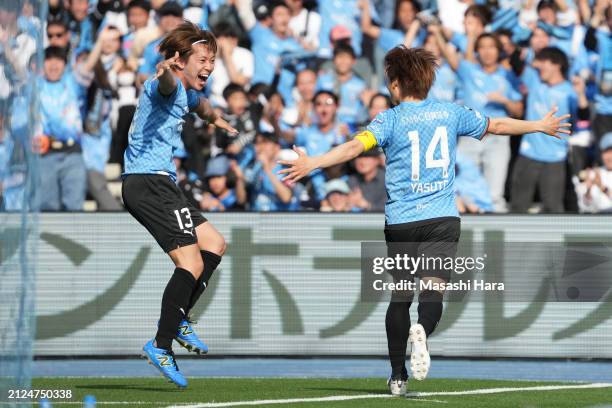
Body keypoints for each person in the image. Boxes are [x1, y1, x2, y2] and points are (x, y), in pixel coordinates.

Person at [279, 46, 570, 396]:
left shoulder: (388, 119)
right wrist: (538, 125)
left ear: (398, 85)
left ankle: (398, 374)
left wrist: (314, 163)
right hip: (442, 217)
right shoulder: (450, 112)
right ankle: (423, 329)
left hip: (402, 221)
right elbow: (497, 125)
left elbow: (354, 148)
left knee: (400, 294)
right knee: (433, 289)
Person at [121, 22, 238, 388]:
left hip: (164, 184)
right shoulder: (163, 86)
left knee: (215, 244)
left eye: (213, 60)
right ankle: (161, 344)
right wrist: (166, 73)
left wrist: (216, 118)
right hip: (147, 182)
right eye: (202, 59)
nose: (209, 66)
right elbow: (166, 86)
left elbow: (198, 104)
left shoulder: (187, 93)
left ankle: (181, 318)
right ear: (180, 60)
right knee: (191, 262)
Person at [510, 47, 588, 213]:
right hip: (528, 154)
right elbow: (516, 60)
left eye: (543, 62)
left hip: (555, 158)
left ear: (557, 65)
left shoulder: (570, 90)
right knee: (518, 206)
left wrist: (581, 94)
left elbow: (584, 117)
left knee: (553, 209)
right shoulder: (534, 81)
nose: (539, 66)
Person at [37, 46, 87, 211]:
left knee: (74, 207)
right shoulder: (35, 87)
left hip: (72, 153)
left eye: (58, 60)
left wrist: (100, 41)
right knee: (47, 208)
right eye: (48, 59)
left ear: (65, 64)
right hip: (44, 154)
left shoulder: (73, 82)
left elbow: (88, 68)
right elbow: (17, 74)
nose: (53, 64)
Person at [575, 132, 612, 213]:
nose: (609, 157)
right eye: (606, 152)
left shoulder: (598, 179)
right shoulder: (595, 173)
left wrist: (602, 187)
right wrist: (588, 189)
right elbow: (584, 207)